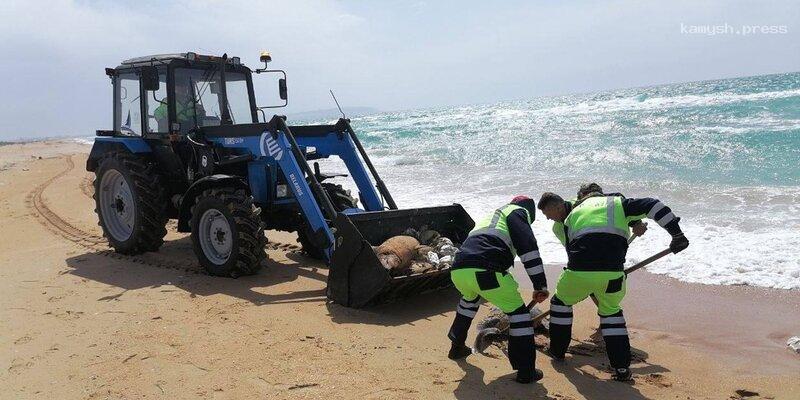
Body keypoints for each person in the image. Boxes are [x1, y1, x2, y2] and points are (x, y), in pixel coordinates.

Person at [537, 192, 689, 381]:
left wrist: (635, 225)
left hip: (579, 273)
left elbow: (579, 252)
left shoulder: (572, 215)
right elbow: (653, 205)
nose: (547, 218)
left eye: (547, 213)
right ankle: (622, 369)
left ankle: (558, 352)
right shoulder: (618, 204)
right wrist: (677, 234)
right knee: (611, 314)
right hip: (613, 274)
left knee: (561, 303)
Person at [446, 196, 549, 384]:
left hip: (459, 269)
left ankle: (456, 347)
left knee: (468, 303)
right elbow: (529, 249)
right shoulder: (519, 213)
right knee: (519, 316)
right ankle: (526, 371)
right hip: (486, 271)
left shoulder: (494, 215)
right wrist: (540, 285)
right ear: (529, 210)